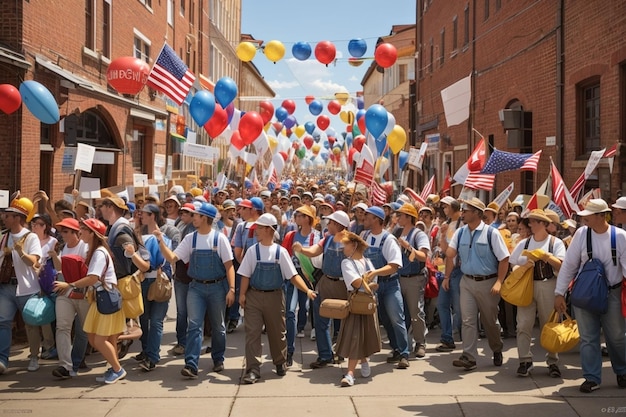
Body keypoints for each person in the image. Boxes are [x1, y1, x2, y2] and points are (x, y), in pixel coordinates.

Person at [154, 203, 235, 379]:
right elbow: (173, 257)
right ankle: (191, 364)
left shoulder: (219, 239)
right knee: (194, 325)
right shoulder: (191, 238)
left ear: (205, 218)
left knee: (219, 327)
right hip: (196, 288)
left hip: (217, 288)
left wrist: (232, 289)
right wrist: (161, 242)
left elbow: (229, 267)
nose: (194, 218)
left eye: (197, 215)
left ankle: (218, 358)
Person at [554, 199, 626, 393]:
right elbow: (569, 264)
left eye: (589, 215)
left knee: (618, 336)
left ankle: (622, 370)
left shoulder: (620, 236)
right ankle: (592, 378)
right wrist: (559, 292)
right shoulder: (581, 234)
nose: (584, 219)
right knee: (588, 338)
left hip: (612, 293)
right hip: (585, 294)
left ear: (602, 215)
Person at [237, 213, 317, 384]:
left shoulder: (280, 252)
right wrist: (242, 294)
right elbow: (245, 275)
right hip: (254, 297)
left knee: (277, 332)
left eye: (259, 228)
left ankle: (280, 362)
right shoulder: (253, 251)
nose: (256, 231)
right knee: (252, 333)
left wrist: (308, 291)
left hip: (275, 296)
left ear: (268, 230)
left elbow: (293, 276)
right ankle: (253, 369)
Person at [442, 197, 509, 371]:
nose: (462, 213)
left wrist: (499, 282)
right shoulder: (460, 232)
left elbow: (504, 259)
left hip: (488, 283)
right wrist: (443, 236)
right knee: (468, 320)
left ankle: (497, 348)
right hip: (467, 282)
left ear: (477, 213)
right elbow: (450, 253)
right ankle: (469, 356)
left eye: (466, 211)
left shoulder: (491, 233)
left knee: (490, 322)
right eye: (462, 210)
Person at [509, 209, 566, 378]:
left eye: (534, 221)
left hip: (548, 284)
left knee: (549, 324)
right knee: (523, 323)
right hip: (526, 285)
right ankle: (524, 360)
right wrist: (521, 267)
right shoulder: (524, 243)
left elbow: (562, 266)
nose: (530, 224)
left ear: (543, 224)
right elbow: (512, 263)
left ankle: (553, 361)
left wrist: (546, 256)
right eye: (530, 221)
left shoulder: (555, 243)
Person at [76, 218, 127, 384]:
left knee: (98, 340)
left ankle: (118, 370)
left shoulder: (98, 252)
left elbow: (93, 278)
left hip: (105, 299)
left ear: (92, 233)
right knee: (97, 338)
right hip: (102, 299)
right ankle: (114, 368)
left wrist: (70, 285)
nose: (80, 232)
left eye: (83, 229)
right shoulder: (96, 250)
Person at [361, 206, 410, 369]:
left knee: (397, 318)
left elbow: (394, 265)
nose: (364, 218)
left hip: (389, 285)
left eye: (367, 216)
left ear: (376, 219)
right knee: (385, 319)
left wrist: (375, 271)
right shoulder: (364, 236)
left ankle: (404, 353)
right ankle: (396, 348)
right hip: (373, 286)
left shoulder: (388, 239)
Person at [132, 204, 177, 372]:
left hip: (158, 282)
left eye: (144, 214)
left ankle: (152, 357)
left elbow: (155, 261)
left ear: (153, 216)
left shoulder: (162, 238)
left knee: (156, 321)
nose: (141, 216)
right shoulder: (139, 235)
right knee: (143, 319)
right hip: (143, 282)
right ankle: (146, 350)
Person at [0, 197, 43, 374]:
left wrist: (20, 252)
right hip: (6, 287)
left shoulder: (31, 237)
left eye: (8, 215)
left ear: (18, 217)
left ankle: (34, 356)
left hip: (26, 288)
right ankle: (2, 360)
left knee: (30, 324)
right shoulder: (3, 236)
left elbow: (34, 261)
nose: (4, 218)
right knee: (3, 322)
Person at [336, 232, 381, 387]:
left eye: (346, 245)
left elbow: (374, 282)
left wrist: (366, 281)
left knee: (363, 335)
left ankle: (362, 360)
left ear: (354, 245)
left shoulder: (367, 261)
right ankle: (350, 373)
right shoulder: (346, 263)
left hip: (367, 303)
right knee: (355, 336)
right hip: (356, 303)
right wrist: (368, 281)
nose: (343, 248)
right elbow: (356, 283)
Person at [50, 218, 89, 379]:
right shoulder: (63, 247)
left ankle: (77, 360)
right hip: (65, 292)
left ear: (76, 232)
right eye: (61, 231)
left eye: (65, 231)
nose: (62, 234)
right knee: (62, 327)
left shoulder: (85, 248)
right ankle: (64, 365)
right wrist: (54, 255)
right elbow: (60, 268)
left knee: (83, 331)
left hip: (84, 293)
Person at [282, 205, 320, 367]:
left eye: (300, 214)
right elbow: (283, 255)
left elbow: (317, 257)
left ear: (307, 218)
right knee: (290, 312)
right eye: (296, 214)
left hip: (310, 277)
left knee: (313, 309)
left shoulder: (316, 237)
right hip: (293, 277)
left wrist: (302, 251)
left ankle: (321, 348)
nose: (296, 216)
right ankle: (289, 350)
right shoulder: (291, 235)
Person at [393, 203, 430, 358]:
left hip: (414, 278)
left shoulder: (418, 234)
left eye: (401, 215)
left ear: (409, 217)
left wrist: (408, 247)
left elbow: (423, 255)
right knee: (399, 312)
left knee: (415, 311)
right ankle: (402, 344)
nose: (398, 217)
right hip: (398, 277)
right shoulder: (396, 232)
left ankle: (420, 342)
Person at [436, 196, 463, 352]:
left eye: (446, 206)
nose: (444, 209)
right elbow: (446, 251)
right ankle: (447, 338)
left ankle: (461, 334)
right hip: (448, 268)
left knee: (460, 309)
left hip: (459, 270)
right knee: (442, 304)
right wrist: (442, 234)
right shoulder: (447, 225)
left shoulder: (464, 225)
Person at [30, 213, 58, 360]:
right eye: (33, 224)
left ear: (45, 226)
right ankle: (38, 346)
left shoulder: (53, 242)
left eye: (38, 224)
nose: (35, 227)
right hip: (32, 282)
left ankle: (50, 346)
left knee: (48, 315)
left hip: (48, 282)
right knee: (37, 313)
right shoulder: (29, 240)